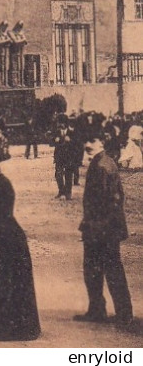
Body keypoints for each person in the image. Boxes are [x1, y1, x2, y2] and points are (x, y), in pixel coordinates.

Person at [0, 146, 41, 341]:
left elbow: (2, 214)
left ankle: (11, 328)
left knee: (7, 280)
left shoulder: (3, 185)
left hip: (8, 240)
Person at [74, 134, 133, 328]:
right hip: (103, 226)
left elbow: (109, 201)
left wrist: (95, 226)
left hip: (103, 228)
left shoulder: (101, 166)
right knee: (98, 269)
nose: (87, 144)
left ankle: (118, 313)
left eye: (92, 140)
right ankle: (106, 310)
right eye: (86, 140)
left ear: (102, 142)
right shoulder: (104, 162)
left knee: (105, 269)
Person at [53, 122, 75, 200]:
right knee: (58, 174)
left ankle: (68, 193)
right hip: (59, 157)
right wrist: (55, 140)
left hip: (69, 157)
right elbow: (50, 142)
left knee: (68, 175)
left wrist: (71, 140)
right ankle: (61, 191)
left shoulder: (72, 132)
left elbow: (77, 143)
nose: (61, 125)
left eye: (63, 123)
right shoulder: (57, 132)